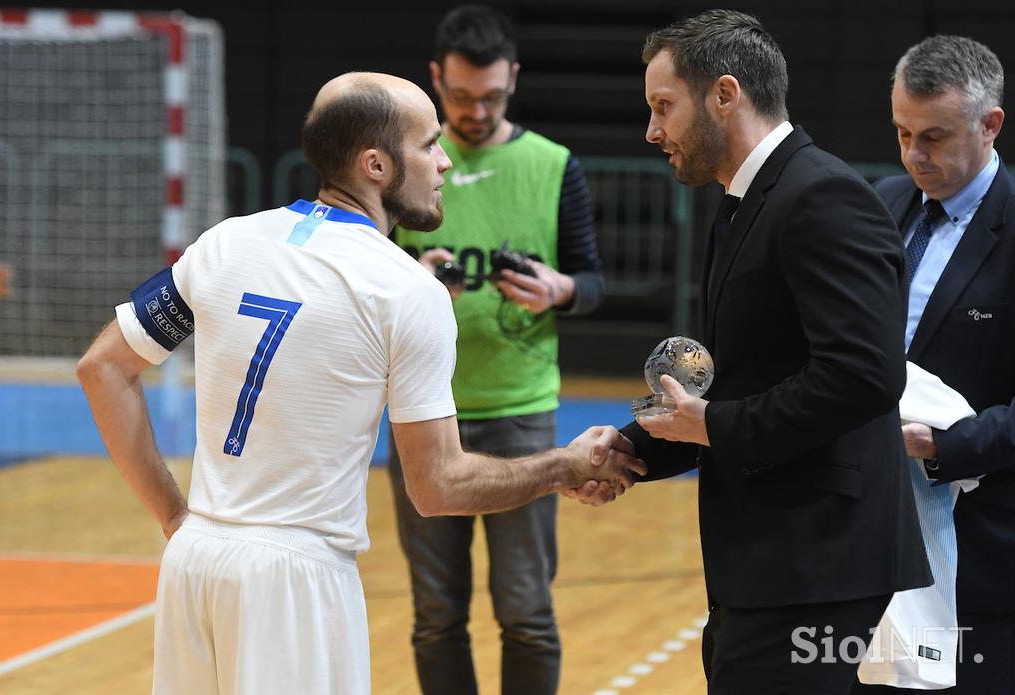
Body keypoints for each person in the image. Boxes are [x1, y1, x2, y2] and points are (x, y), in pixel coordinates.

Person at [76, 72, 643, 695]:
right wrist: (563, 466)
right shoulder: (406, 290)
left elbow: (102, 368)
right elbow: (439, 486)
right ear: (376, 164)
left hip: (194, 561)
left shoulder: (223, 243)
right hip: (296, 581)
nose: (445, 160)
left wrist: (175, 516)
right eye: (428, 144)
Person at [572, 10, 933, 694]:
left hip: (821, 562)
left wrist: (712, 426)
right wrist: (633, 447)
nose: (652, 131)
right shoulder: (744, 199)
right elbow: (743, 379)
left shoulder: (821, 194)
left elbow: (864, 375)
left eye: (662, 107)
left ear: (725, 94)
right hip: (772, 561)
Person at [388, 6, 606, 694]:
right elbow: (363, 283)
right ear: (435, 81)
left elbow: (593, 279)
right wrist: (411, 286)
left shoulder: (553, 165)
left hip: (520, 411)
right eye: (459, 97)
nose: (477, 111)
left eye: (492, 96)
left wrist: (560, 289)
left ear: (513, 77)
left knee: (527, 612)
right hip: (425, 415)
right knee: (436, 616)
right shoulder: (403, 169)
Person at [853, 35, 1015, 694]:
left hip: (984, 551)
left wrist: (946, 445)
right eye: (901, 132)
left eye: (935, 137)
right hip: (870, 540)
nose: (914, 155)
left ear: (990, 124)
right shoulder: (882, 202)